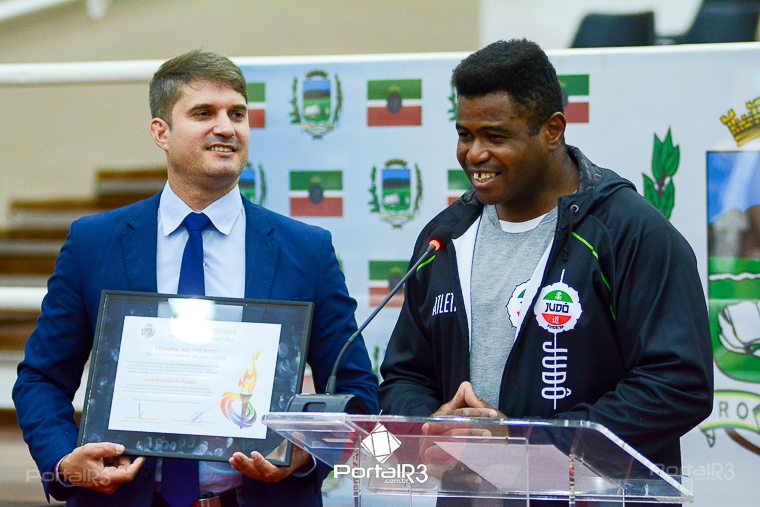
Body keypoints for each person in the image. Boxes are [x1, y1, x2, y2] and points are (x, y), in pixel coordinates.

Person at [13, 50, 378, 507]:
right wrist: (65, 462)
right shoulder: (94, 243)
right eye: (204, 113)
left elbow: (356, 390)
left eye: (237, 114)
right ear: (160, 133)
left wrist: (304, 456)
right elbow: (41, 379)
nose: (226, 127)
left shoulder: (306, 250)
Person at [379, 39, 713, 504]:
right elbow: (405, 375)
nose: (474, 154)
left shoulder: (631, 233)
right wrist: (432, 428)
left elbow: (678, 385)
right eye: (465, 134)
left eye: (495, 137)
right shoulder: (445, 237)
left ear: (552, 130)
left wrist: (528, 449)